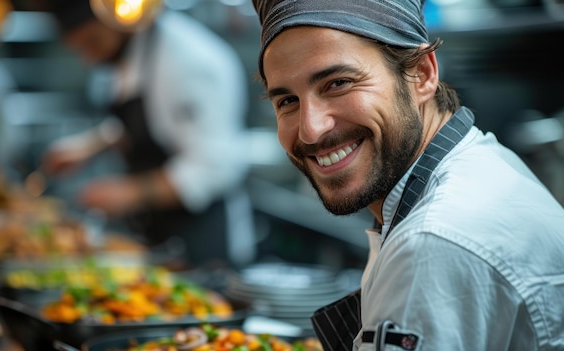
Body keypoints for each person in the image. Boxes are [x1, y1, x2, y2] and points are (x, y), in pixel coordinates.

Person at [251, 0, 564, 350]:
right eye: (287, 101)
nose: (311, 130)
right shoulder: (480, 160)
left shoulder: (435, 241)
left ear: (422, 74)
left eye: (338, 83)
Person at [40, 1, 255, 267]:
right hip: (156, 234)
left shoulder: (189, 61)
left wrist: (128, 193)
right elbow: (153, 123)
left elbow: (214, 168)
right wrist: (89, 146)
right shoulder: (130, 53)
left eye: (92, 43)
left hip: (202, 241)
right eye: (80, 49)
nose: (89, 59)